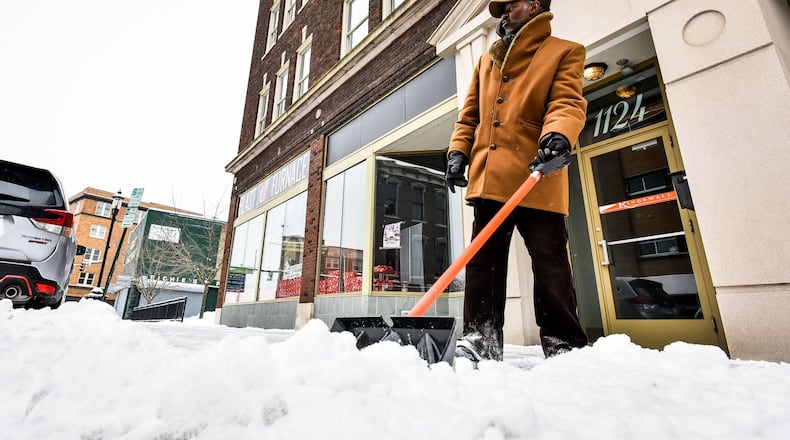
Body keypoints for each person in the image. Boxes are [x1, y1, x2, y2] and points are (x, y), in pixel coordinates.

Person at [445, 0, 588, 361]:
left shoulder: (564, 52)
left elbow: (567, 103)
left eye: (511, 5)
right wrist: (457, 154)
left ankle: (564, 343)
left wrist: (557, 136)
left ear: (534, 5)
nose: (505, 12)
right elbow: (470, 117)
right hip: (490, 176)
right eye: (503, 8)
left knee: (550, 262)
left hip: (537, 175)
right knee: (483, 263)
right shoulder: (486, 62)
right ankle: (480, 339)